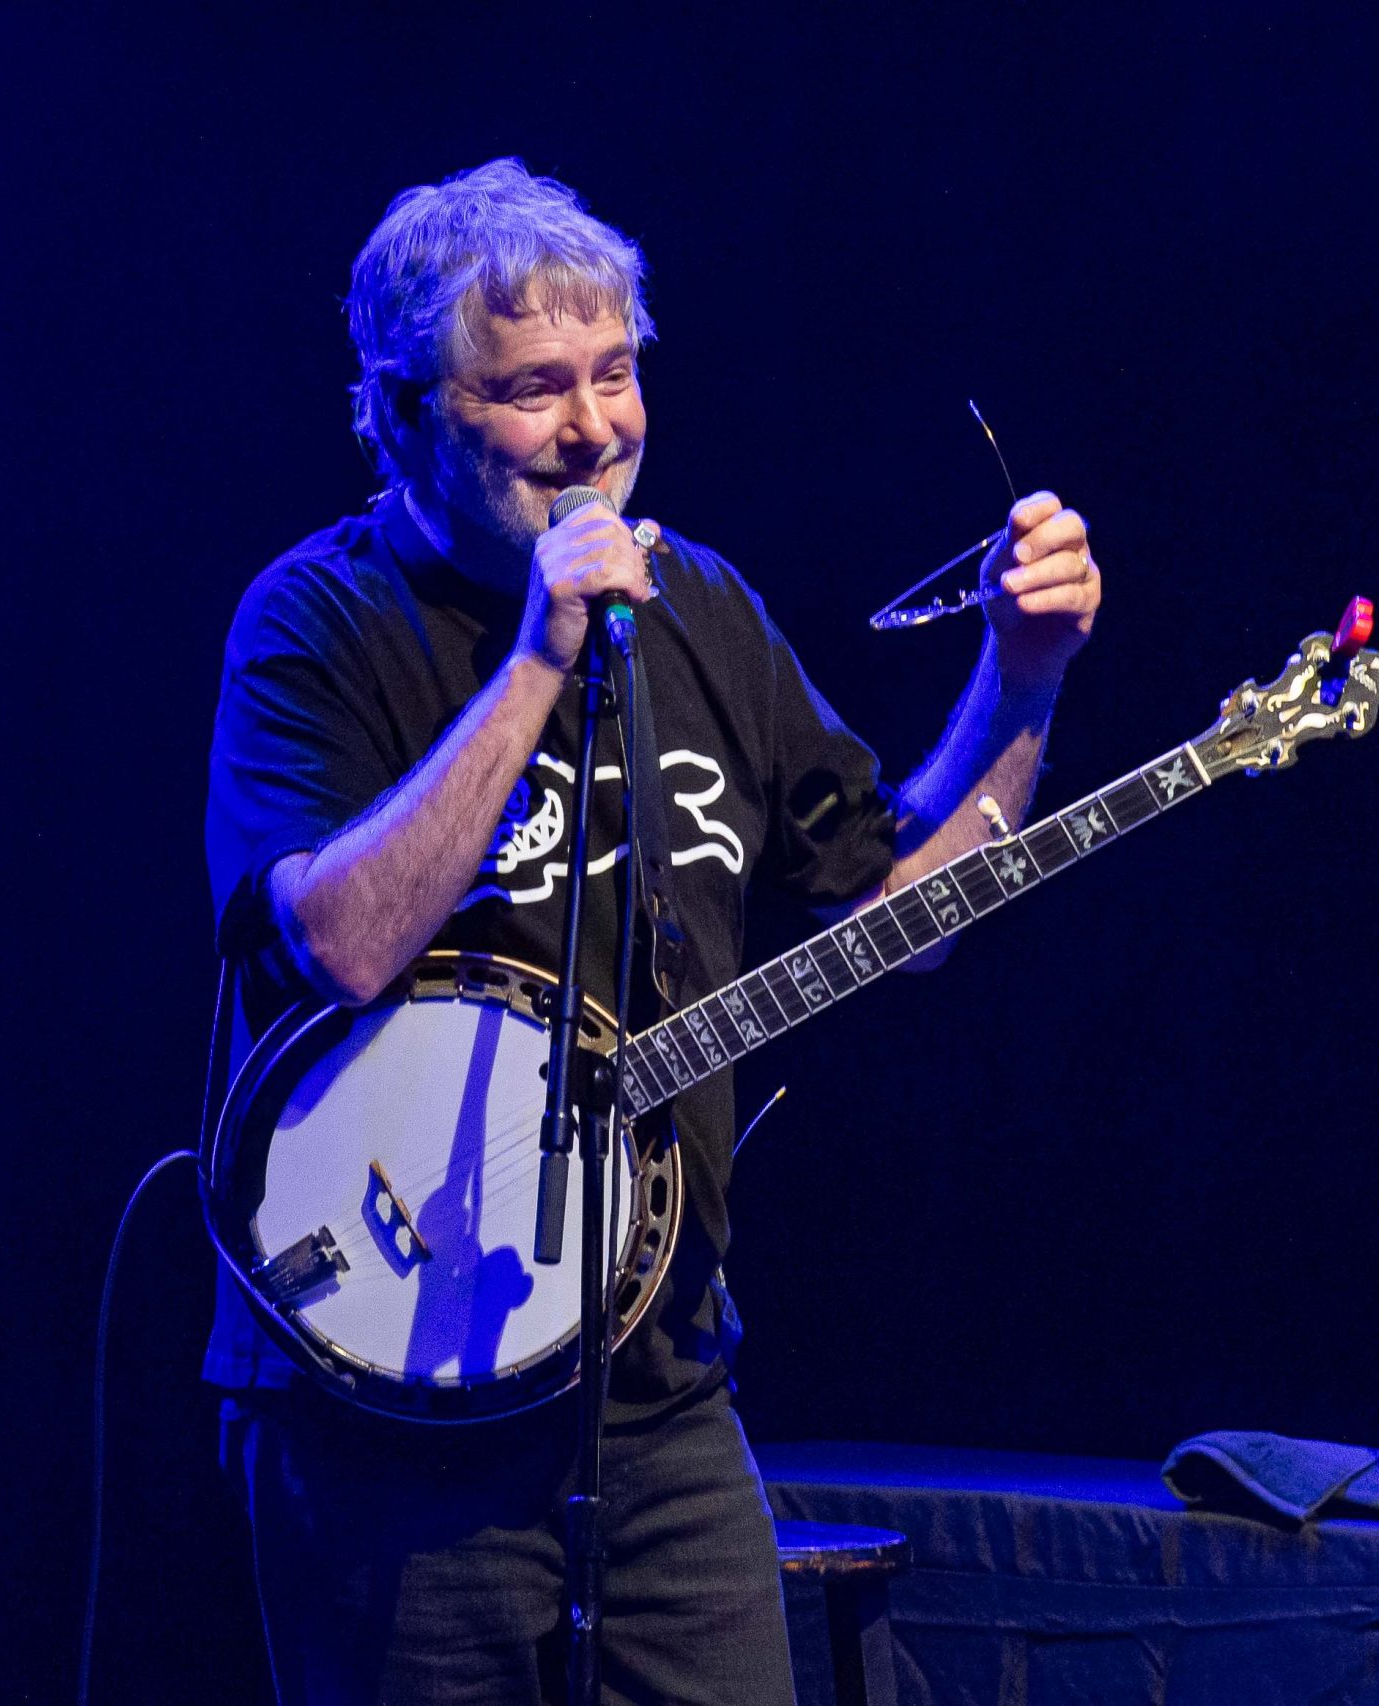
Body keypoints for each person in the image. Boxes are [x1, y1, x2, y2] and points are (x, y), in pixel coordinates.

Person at [204, 158, 1101, 1705]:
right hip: (392, 1420)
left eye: (615, 372)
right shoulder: (313, 623)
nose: (593, 427)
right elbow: (339, 944)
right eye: (532, 388)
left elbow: (898, 913)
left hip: (661, 1393)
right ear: (408, 411)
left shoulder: (704, 608)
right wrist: (546, 649)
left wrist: (1021, 684)